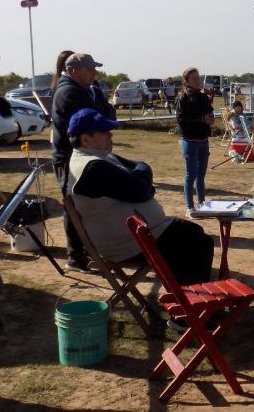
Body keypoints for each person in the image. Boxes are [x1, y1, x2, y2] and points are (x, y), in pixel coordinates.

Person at [65, 108, 213, 326]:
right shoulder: (92, 168)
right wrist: (143, 178)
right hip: (127, 243)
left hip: (139, 234)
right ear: (86, 139)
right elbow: (141, 188)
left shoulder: (98, 156)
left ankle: (190, 306)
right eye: (104, 131)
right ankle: (186, 315)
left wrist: (142, 175)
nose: (111, 135)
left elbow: (141, 167)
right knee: (196, 242)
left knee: (196, 238)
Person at [50, 51, 116, 273]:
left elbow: (105, 116)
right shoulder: (70, 92)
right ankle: (75, 257)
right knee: (73, 207)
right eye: (90, 69)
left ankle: (85, 253)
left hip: (81, 155)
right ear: (74, 72)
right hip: (69, 158)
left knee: (82, 204)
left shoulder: (84, 90)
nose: (95, 73)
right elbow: (93, 121)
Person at [175, 67, 214, 215]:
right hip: (189, 141)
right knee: (190, 175)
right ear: (186, 81)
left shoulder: (203, 97)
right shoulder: (183, 98)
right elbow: (181, 121)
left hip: (203, 140)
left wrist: (210, 118)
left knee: (201, 175)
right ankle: (189, 207)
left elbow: (209, 112)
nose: (198, 81)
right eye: (195, 78)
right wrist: (201, 120)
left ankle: (202, 204)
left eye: (199, 78)